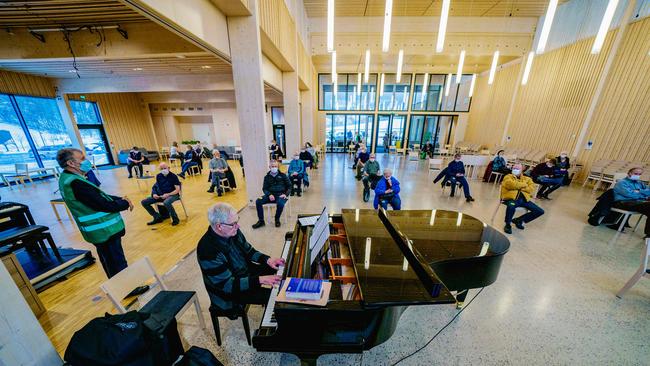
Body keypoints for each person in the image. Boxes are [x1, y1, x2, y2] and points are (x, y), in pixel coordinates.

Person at [56, 148, 134, 278]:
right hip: (104, 229)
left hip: (98, 231)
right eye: (82, 158)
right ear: (71, 163)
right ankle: (128, 288)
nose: (86, 161)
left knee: (109, 260)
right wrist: (125, 203)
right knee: (116, 261)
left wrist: (119, 199)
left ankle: (119, 287)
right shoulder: (76, 183)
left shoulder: (68, 178)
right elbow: (104, 205)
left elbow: (98, 196)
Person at [197, 203, 284, 318]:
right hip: (229, 292)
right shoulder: (207, 251)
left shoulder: (233, 231)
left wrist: (267, 260)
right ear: (219, 226)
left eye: (237, 221)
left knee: (279, 269)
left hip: (244, 273)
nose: (238, 226)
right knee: (275, 296)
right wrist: (259, 280)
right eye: (233, 224)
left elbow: (249, 251)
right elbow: (228, 286)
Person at [500, 163, 545, 234]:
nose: (515, 170)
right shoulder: (508, 176)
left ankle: (519, 220)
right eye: (514, 168)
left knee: (540, 211)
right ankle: (508, 224)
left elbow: (531, 189)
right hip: (511, 199)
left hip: (524, 200)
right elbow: (510, 185)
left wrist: (518, 186)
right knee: (511, 206)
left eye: (517, 169)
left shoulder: (527, 179)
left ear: (521, 170)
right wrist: (524, 185)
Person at [252, 160, 292, 228]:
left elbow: (289, 186)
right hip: (270, 195)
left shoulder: (283, 175)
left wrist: (285, 194)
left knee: (280, 204)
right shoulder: (267, 177)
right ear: (269, 167)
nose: (274, 167)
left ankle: (277, 219)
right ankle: (261, 221)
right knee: (258, 201)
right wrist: (269, 194)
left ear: (278, 167)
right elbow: (264, 188)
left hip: (280, 195)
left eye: (275, 166)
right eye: (272, 166)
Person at [612, 167, 650, 238]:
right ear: (629, 173)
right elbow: (629, 194)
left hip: (636, 202)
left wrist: (639, 191)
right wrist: (643, 195)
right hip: (623, 202)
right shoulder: (621, 182)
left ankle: (649, 235)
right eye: (635, 173)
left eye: (639, 174)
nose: (637, 175)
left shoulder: (640, 183)